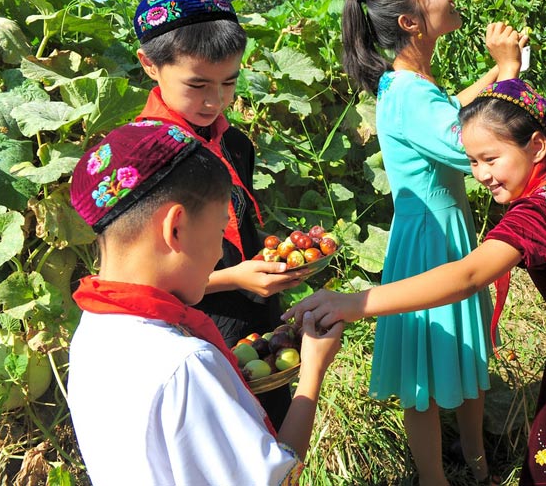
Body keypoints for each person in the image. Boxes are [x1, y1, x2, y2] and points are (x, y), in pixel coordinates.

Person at [285, 79, 546, 486]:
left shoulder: (534, 216)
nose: (481, 173)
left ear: (536, 145)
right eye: (472, 161)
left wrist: (352, 303)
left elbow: (466, 275)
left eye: (491, 158)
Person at [67, 121, 343, 484]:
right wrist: (312, 372)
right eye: (218, 233)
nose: (218, 254)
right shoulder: (185, 366)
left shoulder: (92, 332)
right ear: (175, 228)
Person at [341, 0, 525, 485]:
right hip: (430, 243)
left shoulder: (413, 85)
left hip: (442, 233)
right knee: (426, 369)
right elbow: (462, 142)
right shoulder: (407, 91)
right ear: (411, 22)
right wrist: (509, 74)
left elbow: (452, 111)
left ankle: (477, 464)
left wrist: (495, 73)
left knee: (466, 359)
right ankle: (434, 478)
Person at [131, 0, 305, 428]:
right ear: (150, 65)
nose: (215, 100)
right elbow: (142, 280)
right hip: (193, 329)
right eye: (197, 84)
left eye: (229, 82)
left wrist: (276, 255)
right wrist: (234, 277)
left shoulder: (234, 142)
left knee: (271, 428)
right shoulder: (142, 160)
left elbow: (241, 228)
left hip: (255, 313)